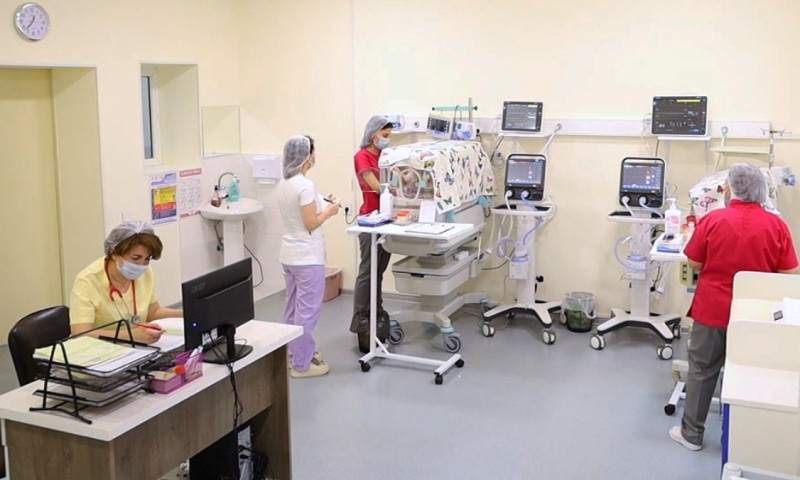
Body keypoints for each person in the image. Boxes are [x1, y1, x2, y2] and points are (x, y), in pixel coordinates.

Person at [669, 163, 798, 451]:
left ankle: (692, 435)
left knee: (702, 370)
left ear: (732, 188)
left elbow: (694, 262)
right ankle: (747, 444)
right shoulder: (777, 225)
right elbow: (789, 273)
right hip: (754, 316)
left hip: (712, 310)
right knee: (753, 373)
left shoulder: (713, 220)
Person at [278, 135, 340, 378]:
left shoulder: (285, 183)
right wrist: (330, 211)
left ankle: (293, 355)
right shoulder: (305, 186)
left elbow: (301, 213)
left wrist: (324, 204)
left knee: (292, 309)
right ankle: (302, 365)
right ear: (306, 156)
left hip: (289, 255)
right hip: (306, 258)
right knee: (307, 312)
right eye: (312, 152)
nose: (314, 157)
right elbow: (311, 223)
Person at [70, 221, 183, 344]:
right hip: (101, 348)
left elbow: (153, 313)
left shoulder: (145, 273)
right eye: (135, 258)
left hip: (137, 346)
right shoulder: (87, 281)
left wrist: (186, 313)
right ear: (113, 253)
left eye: (147, 259)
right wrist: (131, 336)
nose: (141, 265)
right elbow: (80, 333)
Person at [350, 116, 394, 352]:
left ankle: (376, 312)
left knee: (379, 271)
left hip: (387, 220)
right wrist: (399, 185)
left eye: (389, 136)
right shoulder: (362, 156)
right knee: (368, 271)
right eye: (384, 135)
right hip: (370, 221)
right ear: (373, 133)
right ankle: (361, 320)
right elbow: (378, 187)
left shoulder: (385, 156)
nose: (387, 140)